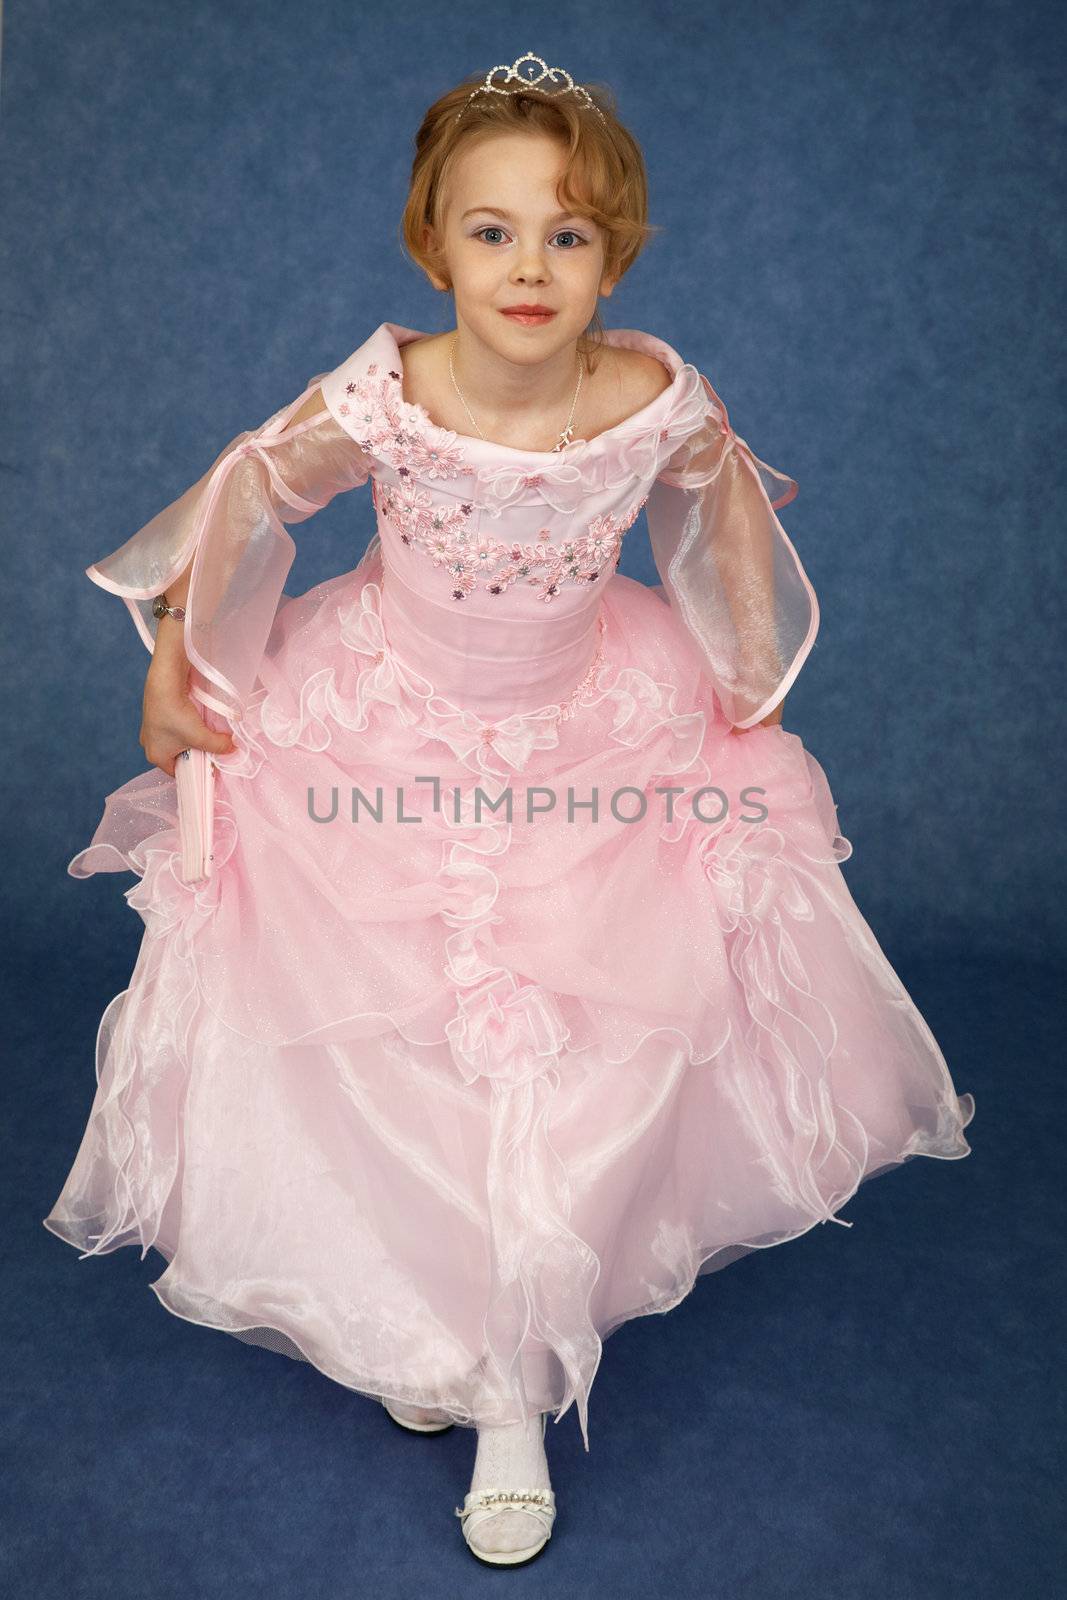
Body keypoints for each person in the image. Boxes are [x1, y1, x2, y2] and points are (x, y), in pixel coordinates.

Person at [43, 52, 976, 1569]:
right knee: (413, 1047)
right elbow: (253, 486)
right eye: (491, 233)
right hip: (385, 734)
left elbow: (724, 506)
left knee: (560, 1054)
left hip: (587, 741)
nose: (528, 267)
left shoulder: (651, 396)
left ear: (617, 255)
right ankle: (449, 1319)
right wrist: (173, 658)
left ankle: (511, 1385)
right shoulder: (392, 391)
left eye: (567, 236)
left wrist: (748, 690)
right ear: (433, 247)